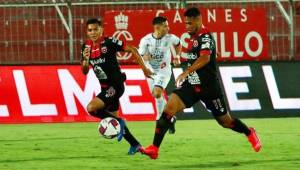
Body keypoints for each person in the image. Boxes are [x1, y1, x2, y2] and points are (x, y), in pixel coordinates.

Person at [140, 8, 262, 159]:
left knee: (225, 121)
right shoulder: (193, 37)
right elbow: (204, 53)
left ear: (198, 20)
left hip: (209, 87)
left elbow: (205, 58)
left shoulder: (205, 36)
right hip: (192, 85)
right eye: (185, 23)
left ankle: (249, 132)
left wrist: (186, 71)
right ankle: (154, 148)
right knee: (168, 109)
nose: (187, 27)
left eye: (190, 23)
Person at [81, 18, 153, 155]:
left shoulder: (109, 42)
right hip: (105, 88)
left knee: (91, 108)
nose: (93, 32)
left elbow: (132, 49)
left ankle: (120, 121)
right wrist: (85, 61)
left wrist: (143, 68)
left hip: (115, 85)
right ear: (87, 32)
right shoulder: (85, 47)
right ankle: (135, 145)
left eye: (95, 29)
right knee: (112, 117)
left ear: (101, 29)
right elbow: (84, 71)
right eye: (90, 30)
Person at [138, 16, 181, 134]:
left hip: (164, 71)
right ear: (157, 27)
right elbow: (141, 55)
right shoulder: (145, 40)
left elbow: (178, 43)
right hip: (151, 72)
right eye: (165, 25)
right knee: (156, 95)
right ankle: (170, 118)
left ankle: (159, 119)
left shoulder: (170, 38)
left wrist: (177, 56)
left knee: (157, 93)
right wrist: (145, 57)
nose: (168, 28)